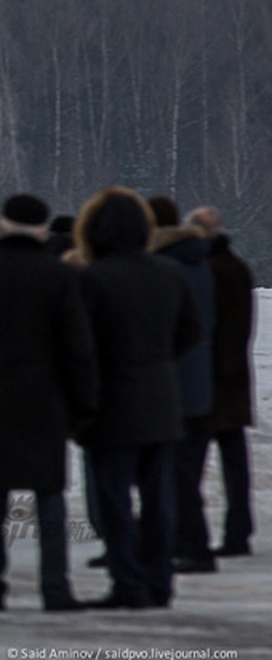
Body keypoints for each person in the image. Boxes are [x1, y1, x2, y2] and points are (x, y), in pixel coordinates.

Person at [0, 194, 98, 611]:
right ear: (42, 229)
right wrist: (84, 405)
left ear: (2, 225)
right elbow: (77, 350)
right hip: (46, 404)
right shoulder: (59, 278)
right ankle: (55, 587)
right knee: (50, 496)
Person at [74, 187, 202, 609]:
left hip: (112, 403)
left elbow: (81, 346)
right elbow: (190, 332)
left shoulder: (92, 279)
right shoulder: (169, 273)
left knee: (114, 500)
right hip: (163, 400)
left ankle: (127, 581)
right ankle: (159, 580)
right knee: (159, 499)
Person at [147, 195, 217, 574]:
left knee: (177, 473)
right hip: (197, 382)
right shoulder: (199, 264)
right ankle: (183, 543)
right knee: (182, 470)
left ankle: (193, 546)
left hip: (171, 384)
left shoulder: (166, 268)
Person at [186, 206, 256, 558]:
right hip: (235, 380)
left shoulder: (203, 272)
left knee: (190, 464)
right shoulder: (238, 269)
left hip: (208, 378)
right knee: (235, 465)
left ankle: (189, 532)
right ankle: (239, 530)